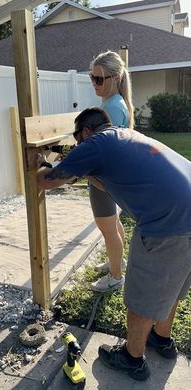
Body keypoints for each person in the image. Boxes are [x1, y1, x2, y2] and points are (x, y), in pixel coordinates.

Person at [35, 107, 191, 381]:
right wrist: (80, 169)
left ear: (85, 132)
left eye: (77, 140)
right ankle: (162, 340)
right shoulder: (126, 135)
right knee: (173, 283)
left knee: (141, 296)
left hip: (166, 224)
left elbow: (46, 182)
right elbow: (106, 182)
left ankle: (132, 359)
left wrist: (40, 161)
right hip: (185, 210)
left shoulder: (95, 143)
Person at [88, 50, 134, 292]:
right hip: (110, 178)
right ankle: (119, 262)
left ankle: (116, 277)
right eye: (92, 77)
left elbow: (106, 150)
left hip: (103, 180)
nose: (94, 83)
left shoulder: (112, 108)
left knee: (107, 229)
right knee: (113, 224)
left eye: (99, 79)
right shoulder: (112, 102)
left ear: (115, 78)